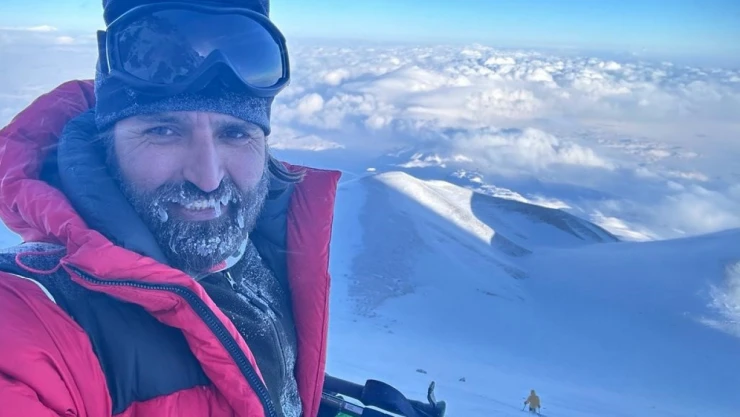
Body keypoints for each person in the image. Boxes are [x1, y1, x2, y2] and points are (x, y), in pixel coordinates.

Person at [0, 1, 341, 416]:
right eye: (163, 131)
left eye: (236, 133)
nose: (208, 178)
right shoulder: (34, 313)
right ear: (106, 146)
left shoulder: (261, 247)